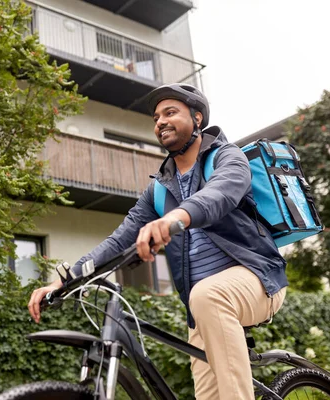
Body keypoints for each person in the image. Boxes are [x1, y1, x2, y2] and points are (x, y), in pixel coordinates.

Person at [28, 83, 288, 400]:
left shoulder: (226, 157)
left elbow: (221, 193)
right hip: (203, 307)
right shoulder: (159, 191)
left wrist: (174, 217)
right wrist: (65, 280)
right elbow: (118, 240)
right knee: (207, 394)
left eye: (170, 112)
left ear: (197, 118)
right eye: (155, 117)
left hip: (258, 280)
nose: (160, 121)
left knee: (208, 297)